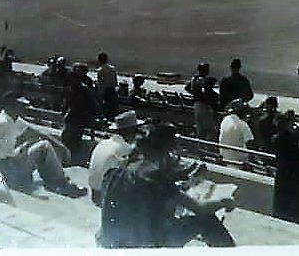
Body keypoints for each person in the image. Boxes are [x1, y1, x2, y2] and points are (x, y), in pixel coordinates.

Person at [97, 123, 235, 248]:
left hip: (112, 241)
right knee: (206, 220)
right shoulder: (155, 178)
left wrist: (184, 177)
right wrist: (224, 202)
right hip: (144, 243)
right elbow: (199, 208)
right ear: (166, 150)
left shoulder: (118, 169)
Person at [0, 103, 87, 198]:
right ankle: (61, 184)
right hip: (7, 170)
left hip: (11, 164)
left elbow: (37, 133)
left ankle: (55, 182)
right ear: (9, 106)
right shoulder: (3, 122)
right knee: (44, 147)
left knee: (39, 144)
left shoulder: (14, 119)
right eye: (20, 105)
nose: (24, 108)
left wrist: (61, 145)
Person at [88, 110, 144, 206]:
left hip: (94, 192)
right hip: (106, 195)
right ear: (130, 131)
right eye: (135, 130)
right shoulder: (126, 148)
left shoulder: (102, 143)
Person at [61, 62, 97, 155]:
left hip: (78, 119)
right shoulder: (72, 88)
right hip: (72, 118)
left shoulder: (83, 89)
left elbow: (90, 104)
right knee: (67, 139)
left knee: (73, 140)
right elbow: (66, 102)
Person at [272, 113, 299, 223]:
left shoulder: (276, 139)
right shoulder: (291, 137)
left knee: (281, 200)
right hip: (293, 174)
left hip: (281, 173)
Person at [186, 63, 215, 139]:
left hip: (196, 105)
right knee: (209, 129)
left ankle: (200, 146)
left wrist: (195, 93)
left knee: (200, 129)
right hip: (204, 106)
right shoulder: (206, 80)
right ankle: (208, 146)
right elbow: (207, 92)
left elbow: (187, 88)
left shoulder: (194, 79)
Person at [97, 52, 119, 120]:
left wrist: (100, 95)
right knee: (114, 108)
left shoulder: (100, 71)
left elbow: (101, 84)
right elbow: (115, 81)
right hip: (112, 90)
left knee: (107, 109)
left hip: (106, 91)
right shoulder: (112, 69)